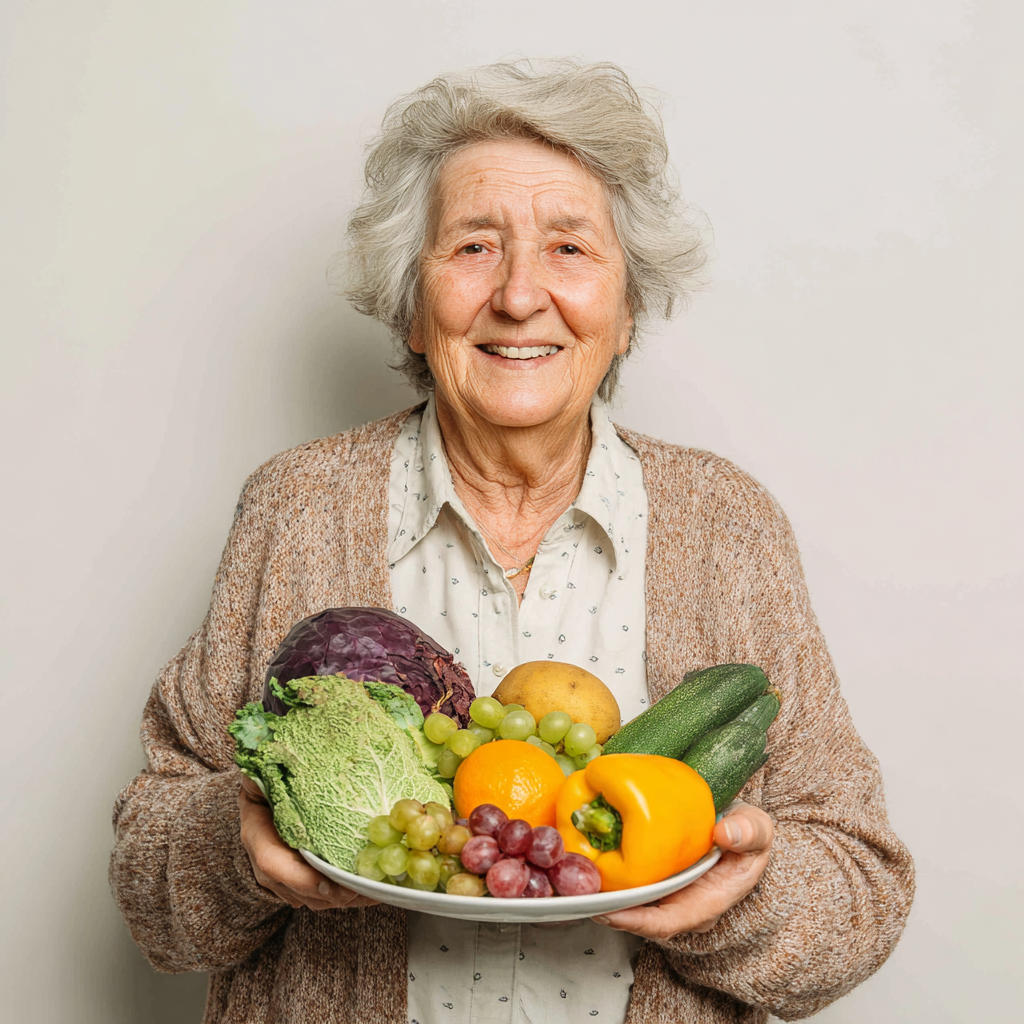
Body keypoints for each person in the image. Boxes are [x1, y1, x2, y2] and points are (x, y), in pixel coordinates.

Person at [110, 60, 914, 1024]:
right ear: (413, 303)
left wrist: (734, 903)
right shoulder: (296, 504)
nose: (522, 295)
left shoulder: (727, 522)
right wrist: (237, 853)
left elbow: (861, 894)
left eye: (570, 249)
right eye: (474, 247)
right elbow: (150, 891)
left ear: (626, 312)